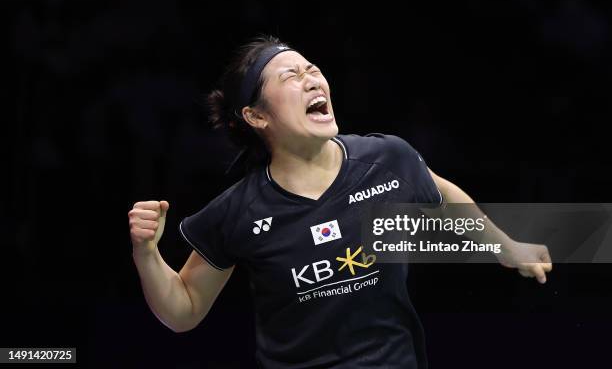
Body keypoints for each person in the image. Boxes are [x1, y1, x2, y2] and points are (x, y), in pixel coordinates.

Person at [128, 36, 552, 368]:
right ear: (256, 116)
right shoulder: (240, 211)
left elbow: (442, 193)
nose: (312, 79)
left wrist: (506, 247)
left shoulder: (386, 159)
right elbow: (183, 311)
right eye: (290, 77)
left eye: (312, 69)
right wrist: (146, 253)